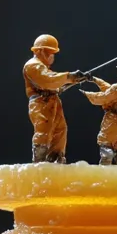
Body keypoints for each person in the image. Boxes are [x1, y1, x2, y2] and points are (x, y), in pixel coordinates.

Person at [23, 34, 87, 163]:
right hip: (41, 103)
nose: (52, 56)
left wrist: (74, 80)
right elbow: (48, 79)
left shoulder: (42, 66)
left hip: (52, 101)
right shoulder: (33, 65)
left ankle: (56, 158)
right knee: (44, 131)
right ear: (40, 51)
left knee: (60, 129)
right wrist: (69, 77)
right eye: (50, 52)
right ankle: (40, 161)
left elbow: (53, 81)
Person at [81, 59, 117, 165]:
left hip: (113, 121)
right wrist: (94, 79)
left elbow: (104, 97)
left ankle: (105, 172)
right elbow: (109, 88)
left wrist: (87, 94)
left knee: (106, 146)